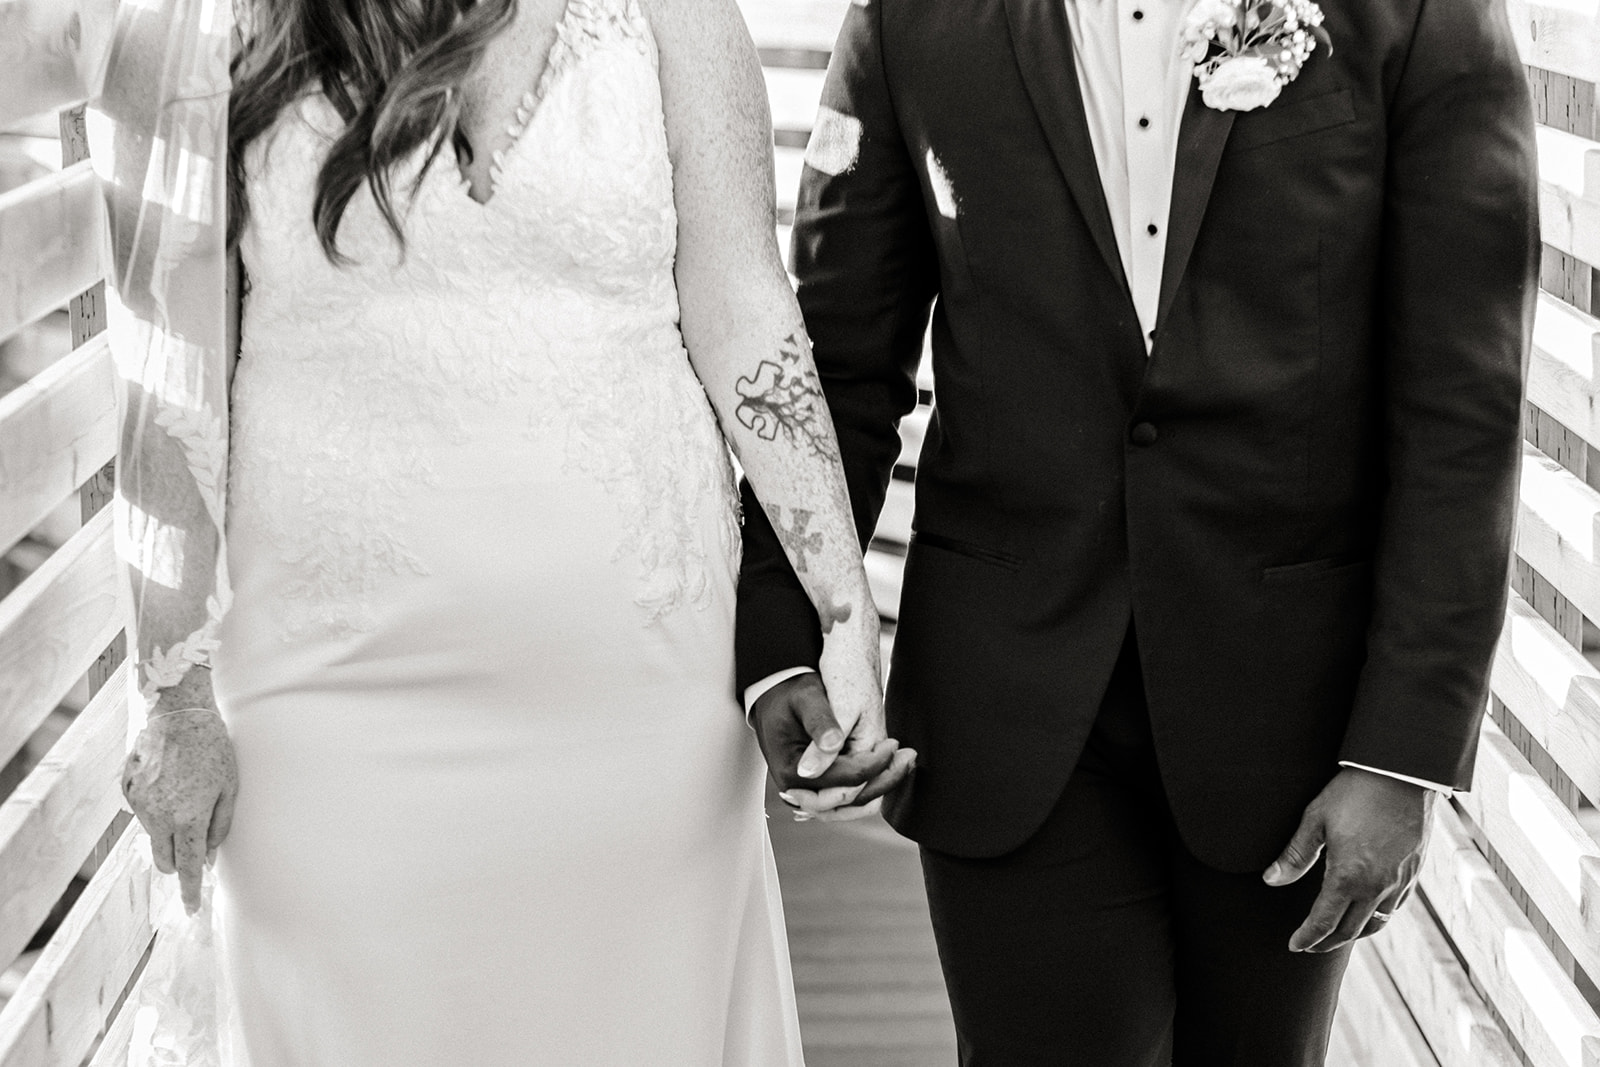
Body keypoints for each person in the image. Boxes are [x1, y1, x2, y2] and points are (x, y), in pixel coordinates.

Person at [112, 0, 915, 1062]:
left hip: (640, 710)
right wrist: (172, 695)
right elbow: (170, 375)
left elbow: (742, 304)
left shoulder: (676, 18)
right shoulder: (203, 25)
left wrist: (843, 610)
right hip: (325, 706)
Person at [741, 0, 1539, 1061]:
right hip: (1007, 696)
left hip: (1290, 717)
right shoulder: (908, 20)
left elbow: (1461, 402)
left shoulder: (1420, 13)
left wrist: (1403, 752)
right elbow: (840, 363)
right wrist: (784, 631)